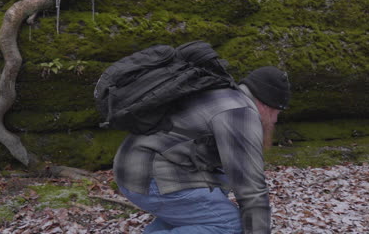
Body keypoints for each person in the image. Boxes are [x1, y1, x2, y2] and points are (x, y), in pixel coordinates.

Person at [113, 66, 291, 234]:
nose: (275, 120)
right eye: (277, 112)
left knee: (205, 209)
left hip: (132, 168)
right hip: (150, 175)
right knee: (230, 227)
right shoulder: (241, 113)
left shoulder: (222, 94)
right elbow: (252, 189)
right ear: (267, 105)